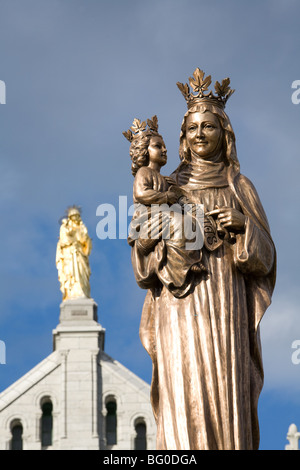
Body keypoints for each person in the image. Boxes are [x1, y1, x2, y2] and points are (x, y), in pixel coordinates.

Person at [128, 68, 276, 450]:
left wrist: (245, 226)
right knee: (183, 385)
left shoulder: (239, 186)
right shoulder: (169, 186)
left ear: (223, 133)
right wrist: (156, 237)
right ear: (182, 138)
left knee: (226, 389)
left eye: (207, 126)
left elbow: (266, 259)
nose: (198, 134)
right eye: (191, 128)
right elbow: (143, 265)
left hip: (227, 305)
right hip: (178, 306)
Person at [124, 116, 206, 299]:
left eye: (164, 146)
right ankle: (182, 267)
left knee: (186, 223)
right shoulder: (144, 173)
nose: (164, 149)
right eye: (158, 146)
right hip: (149, 218)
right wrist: (166, 197)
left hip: (165, 216)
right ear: (144, 152)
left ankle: (188, 260)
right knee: (178, 222)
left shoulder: (167, 179)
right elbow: (141, 194)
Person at [56, 206, 92, 301]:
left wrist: (85, 239)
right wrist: (71, 241)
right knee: (70, 274)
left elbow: (85, 241)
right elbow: (63, 240)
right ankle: (72, 293)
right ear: (70, 217)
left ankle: (82, 291)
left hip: (80, 253)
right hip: (69, 254)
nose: (75, 218)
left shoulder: (82, 228)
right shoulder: (65, 227)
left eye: (77, 216)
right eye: (73, 216)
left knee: (81, 273)